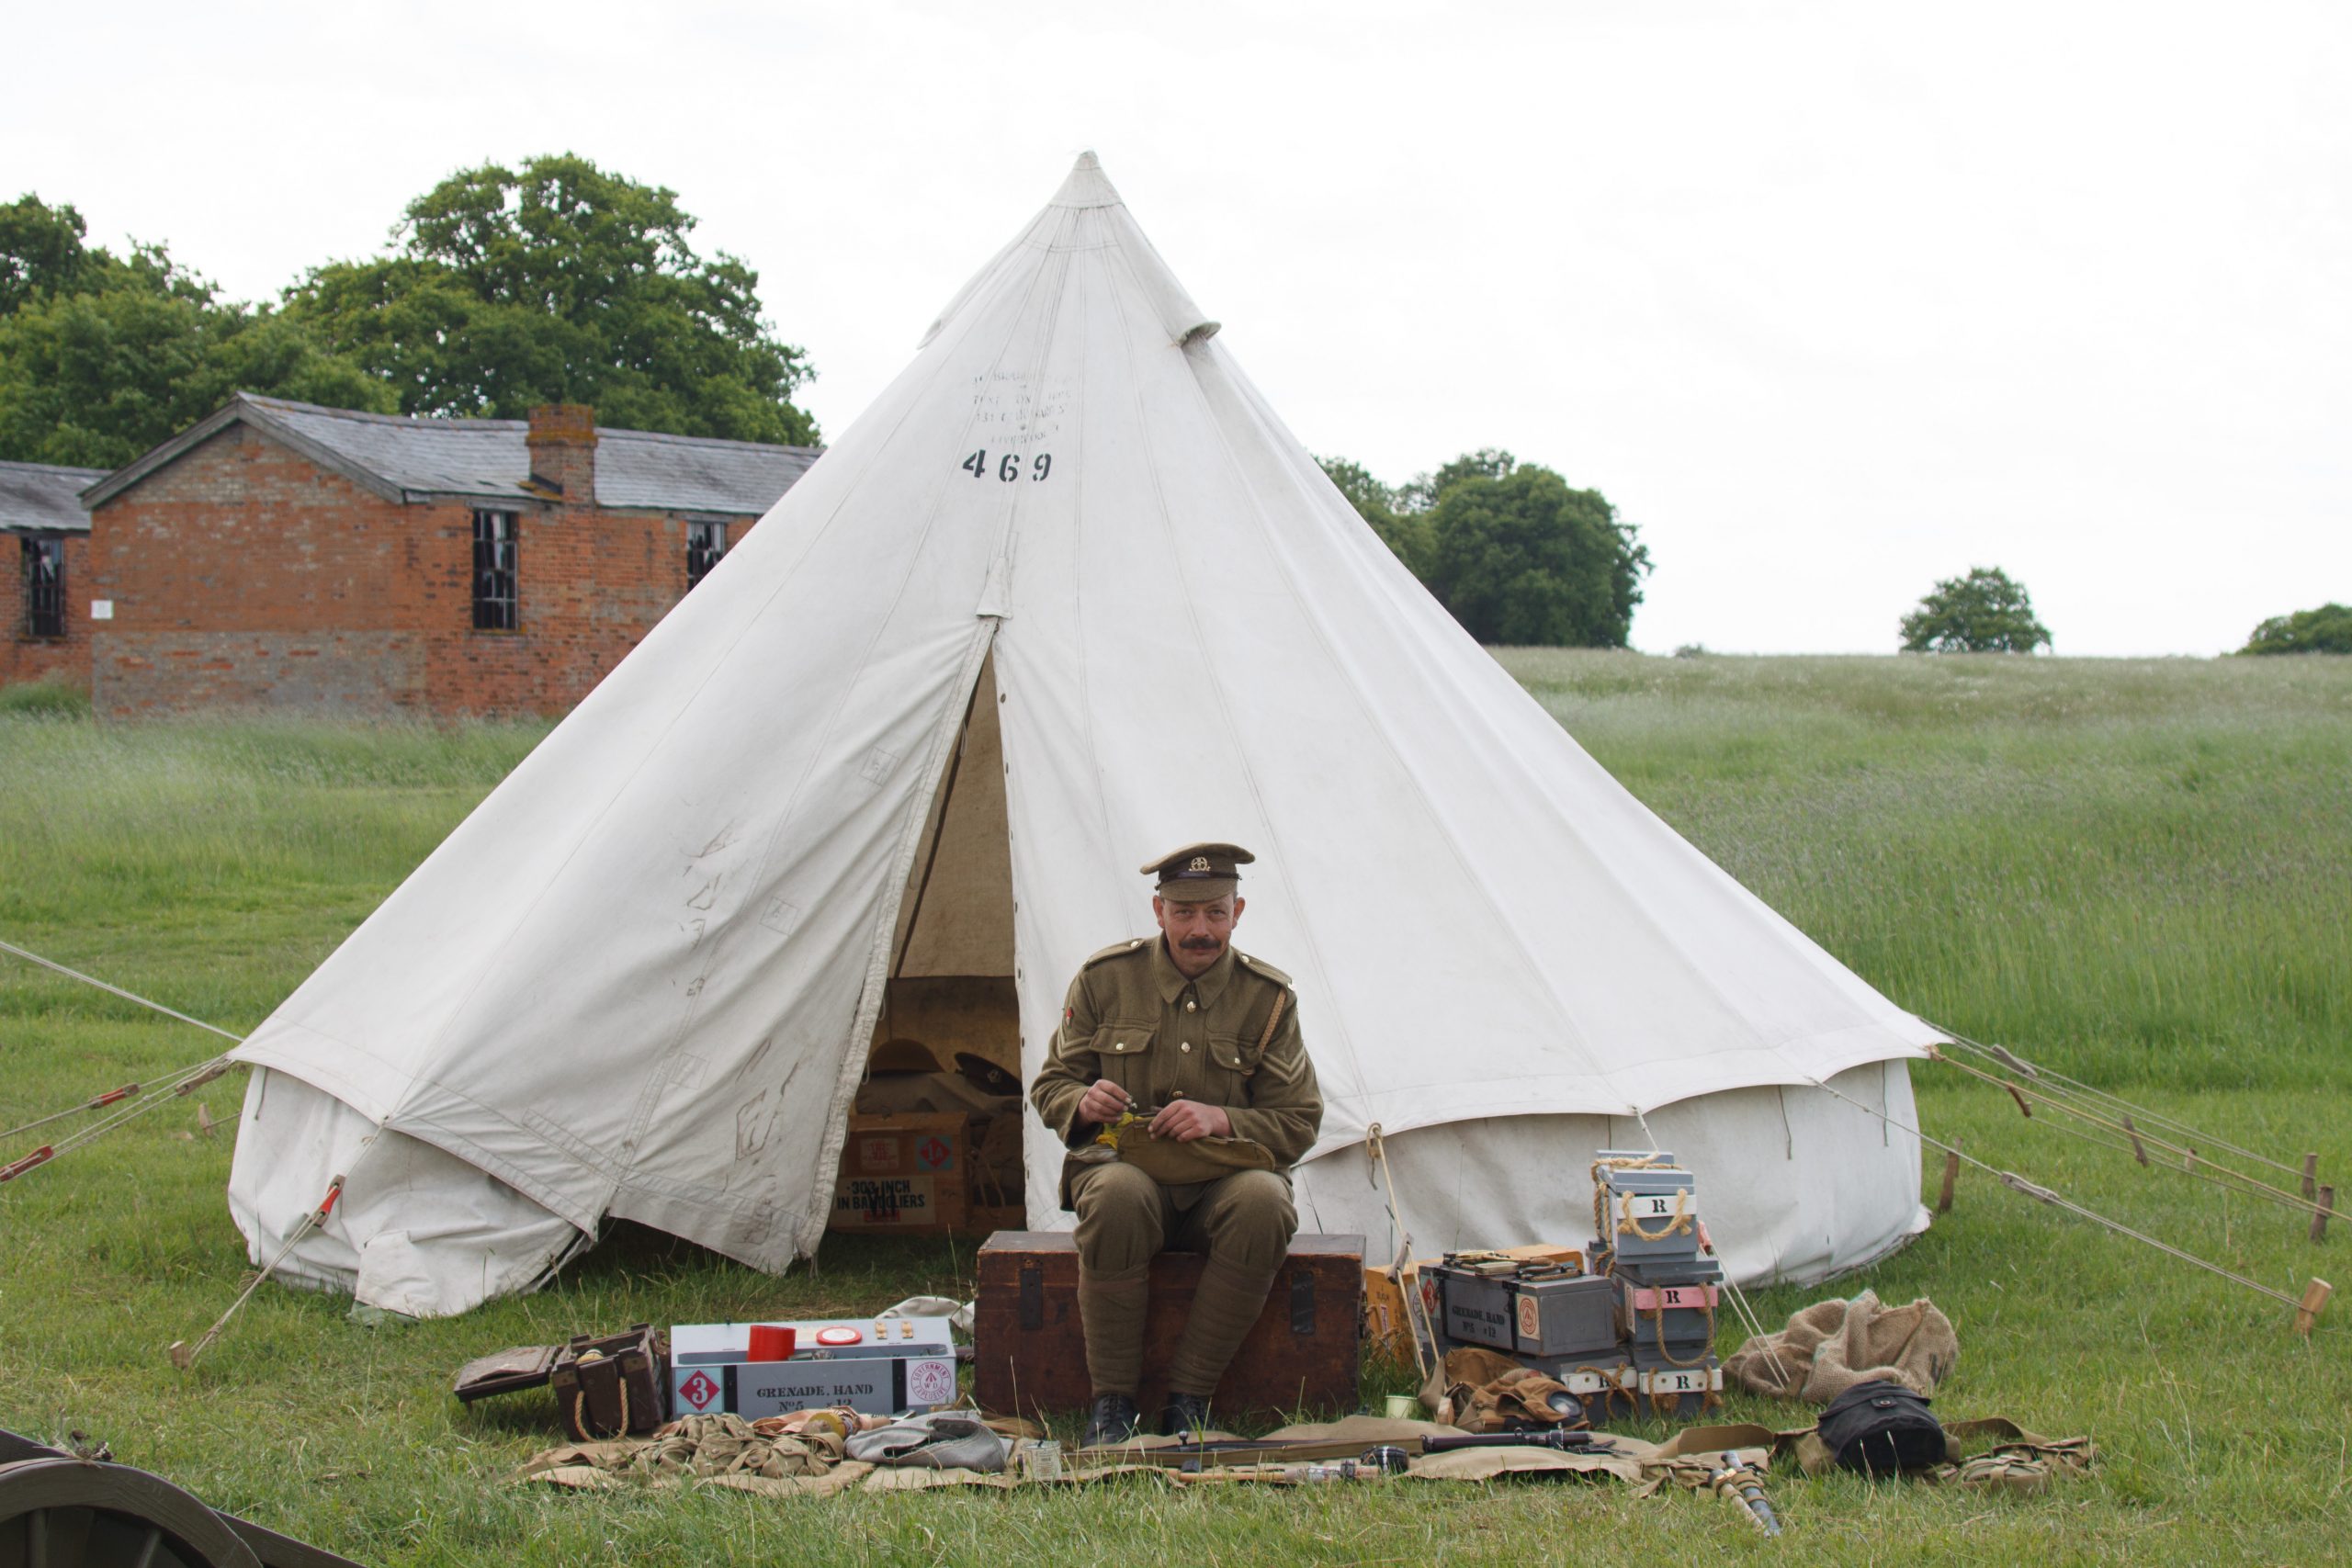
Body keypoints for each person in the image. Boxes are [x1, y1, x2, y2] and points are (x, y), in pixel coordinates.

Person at [1028, 842, 1324, 1447]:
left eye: (1215, 913)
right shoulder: (1106, 980)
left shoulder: (1267, 1000)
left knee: (1266, 1201)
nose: (1200, 930)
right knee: (1114, 1191)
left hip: (1220, 1187)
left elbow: (1299, 1121)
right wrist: (1082, 1103)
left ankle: (1189, 1400)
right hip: (1128, 1177)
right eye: (1185, 913)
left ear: (1237, 911)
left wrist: (1221, 1118)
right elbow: (1051, 1083)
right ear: (1159, 909)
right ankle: (1112, 1404)